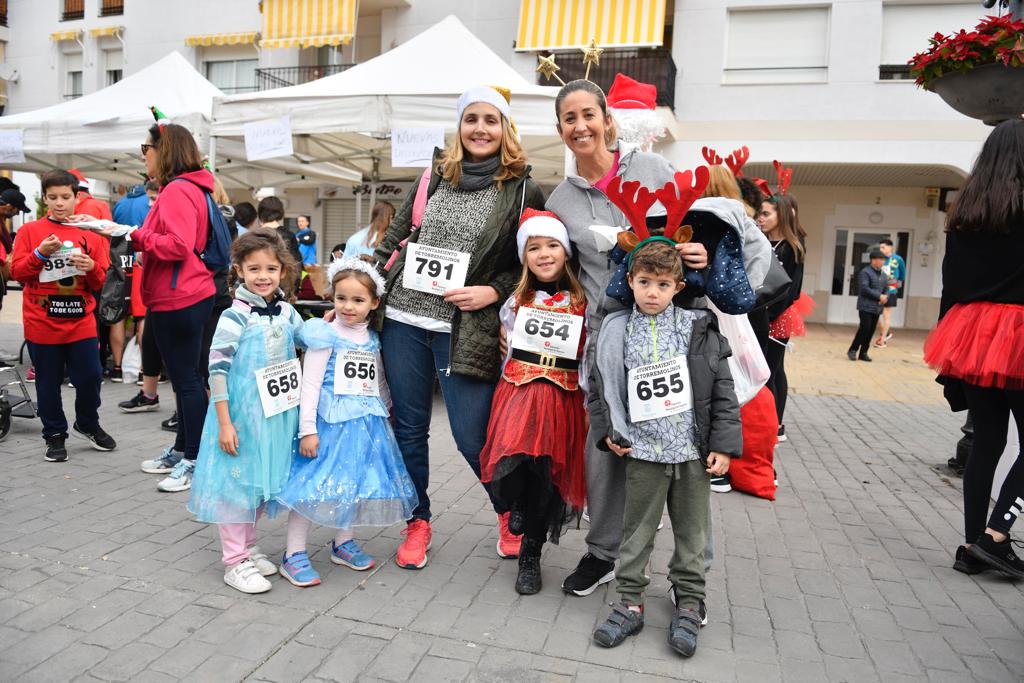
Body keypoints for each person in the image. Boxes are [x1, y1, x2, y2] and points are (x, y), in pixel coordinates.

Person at [544, 78, 717, 598]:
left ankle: (690, 575)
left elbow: (697, 232)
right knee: (607, 444)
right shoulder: (561, 198)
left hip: (672, 333)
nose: (581, 126)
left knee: (685, 449)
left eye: (588, 115)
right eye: (570, 119)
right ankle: (603, 552)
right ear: (561, 130)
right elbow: (562, 271)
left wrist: (701, 255)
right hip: (608, 337)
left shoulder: (654, 170)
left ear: (608, 120)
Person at [373, 85, 545, 570]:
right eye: (472, 119)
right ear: (459, 126)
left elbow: (536, 261)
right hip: (404, 318)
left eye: (492, 120)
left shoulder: (523, 188)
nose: (481, 129)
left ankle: (508, 511)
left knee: (474, 435)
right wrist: (357, 291)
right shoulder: (433, 176)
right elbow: (392, 239)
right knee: (408, 426)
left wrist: (494, 291)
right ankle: (417, 520)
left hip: (465, 326)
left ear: (506, 128)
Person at [590, 240, 740, 657]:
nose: (652, 292)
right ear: (630, 283)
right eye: (643, 282)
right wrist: (609, 433)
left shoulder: (697, 327)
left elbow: (723, 389)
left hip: (692, 452)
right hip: (644, 453)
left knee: (693, 534)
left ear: (677, 286)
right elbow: (600, 389)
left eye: (661, 284)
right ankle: (630, 602)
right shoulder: (617, 329)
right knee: (635, 532)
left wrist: (724, 447)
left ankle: (689, 603)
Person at [276, 258, 417, 587]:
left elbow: (377, 379)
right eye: (341, 298)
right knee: (311, 486)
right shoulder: (324, 335)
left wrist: (386, 410)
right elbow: (308, 385)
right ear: (332, 297)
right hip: (328, 424)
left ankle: (343, 541)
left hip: (365, 425)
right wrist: (307, 430)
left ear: (374, 303)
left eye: (358, 300)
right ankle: (293, 553)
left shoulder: (372, 338)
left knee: (353, 483)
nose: (348, 306)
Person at [923, 119, 1024, 579]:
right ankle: (996, 535)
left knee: (987, 440)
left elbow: (952, 285)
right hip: (1018, 330)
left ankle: (971, 545)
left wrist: (951, 364)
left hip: (971, 331)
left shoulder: (965, 211)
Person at [479, 209, 588, 595]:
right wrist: (504, 342)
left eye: (552, 245)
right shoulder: (516, 299)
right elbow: (507, 338)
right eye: (534, 247)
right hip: (520, 394)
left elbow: (588, 351)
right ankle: (516, 505)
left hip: (561, 398)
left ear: (567, 251)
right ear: (524, 256)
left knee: (547, 478)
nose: (544, 254)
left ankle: (530, 555)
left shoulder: (582, 301)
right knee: (514, 459)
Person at [187, 230, 303, 594]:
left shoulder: (286, 311)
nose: (263, 276)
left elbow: (306, 339)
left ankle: (249, 547)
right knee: (235, 485)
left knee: (256, 482)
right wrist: (224, 422)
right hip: (239, 416)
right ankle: (234, 561)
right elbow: (216, 370)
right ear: (239, 270)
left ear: (283, 270)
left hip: (274, 416)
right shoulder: (233, 317)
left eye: (271, 268)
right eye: (254, 268)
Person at [122, 122, 216, 492]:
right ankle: (183, 451)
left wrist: (134, 235)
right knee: (185, 378)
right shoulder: (189, 187)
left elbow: (177, 245)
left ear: (163, 150)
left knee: (187, 379)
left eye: (145, 148)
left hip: (181, 294)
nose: (143, 155)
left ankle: (195, 459)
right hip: (182, 292)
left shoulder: (178, 189)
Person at [11, 169, 116, 462]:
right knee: (47, 383)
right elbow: (18, 273)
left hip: (81, 321)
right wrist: (40, 254)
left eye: (65, 197)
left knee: (91, 377)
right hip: (42, 322)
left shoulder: (90, 231)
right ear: (44, 198)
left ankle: (87, 422)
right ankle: (55, 435)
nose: (59, 203)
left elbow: (101, 281)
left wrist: (91, 265)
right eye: (53, 197)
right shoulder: (30, 231)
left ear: (76, 198)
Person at [756, 194, 806, 441]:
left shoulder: (793, 247)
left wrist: (767, 313)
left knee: (771, 371)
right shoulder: (762, 242)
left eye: (766, 214)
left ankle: (773, 425)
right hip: (762, 313)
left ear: (782, 215)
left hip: (779, 316)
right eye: (760, 213)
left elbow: (791, 290)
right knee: (773, 369)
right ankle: (774, 423)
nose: (760, 218)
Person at [848, 249, 887, 362]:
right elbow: (864, 289)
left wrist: (885, 297)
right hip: (865, 306)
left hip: (877, 307)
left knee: (871, 331)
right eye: (880, 259)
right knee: (865, 328)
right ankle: (853, 350)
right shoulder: (865, 272)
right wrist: (879, 296)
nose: (882, 262)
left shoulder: (883, 275)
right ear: (873, 260)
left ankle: (863, 352)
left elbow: (886, 288)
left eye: (883, 260)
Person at [259, 196, 302, 291]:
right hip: (282, 289)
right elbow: (296, 266)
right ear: (280, 212)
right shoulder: (288, 235)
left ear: (260, 212)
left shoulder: (254, 236)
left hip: (257, 287)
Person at [874, 238, 905, 347]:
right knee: (875, 314)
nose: (881, 249)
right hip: (878, 290)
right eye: (880, 247)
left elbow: (902, 275)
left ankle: (882, 341)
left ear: (890, 247)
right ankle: (885, 333)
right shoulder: (879, 259)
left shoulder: (898, 259)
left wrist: (895, 287)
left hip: (891, 290)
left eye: (883, 247)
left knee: (886, 315)